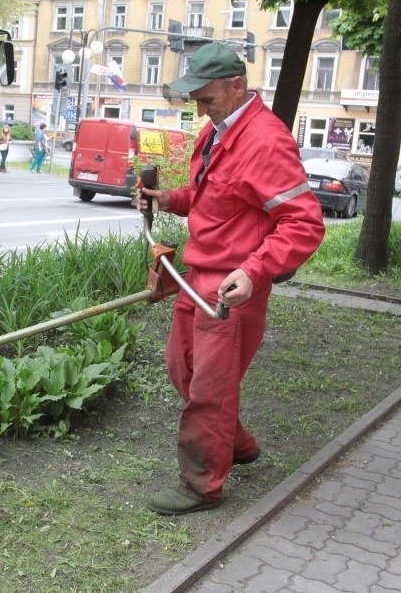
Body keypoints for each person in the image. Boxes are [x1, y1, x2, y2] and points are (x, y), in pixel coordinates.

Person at [137, 42, 325, 516]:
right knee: (183, 368)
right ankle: (237, 444)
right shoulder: (218, 131)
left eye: (206, 98)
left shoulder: (265, 140)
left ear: (236, 85)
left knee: (210, 390)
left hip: (230, 287)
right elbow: (206, 197)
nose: (200, 109)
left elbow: (304, 222)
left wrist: (255, 270)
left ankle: (202, 485)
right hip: (197, 274)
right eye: (196, 100)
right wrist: (164, 199)